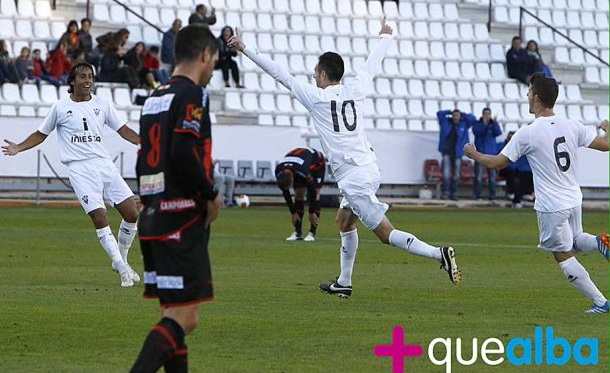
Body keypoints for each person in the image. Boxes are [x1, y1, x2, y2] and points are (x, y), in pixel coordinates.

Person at [228, 18, 461, 298]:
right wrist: (385, 37)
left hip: (354, 179)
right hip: (370, 167)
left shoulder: (316, 97)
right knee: (344, 221)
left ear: (325, 74)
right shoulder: (357, 87)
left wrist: (245, 49)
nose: (314, 76)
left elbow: (281, 74)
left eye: (316, 72)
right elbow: (372, 64)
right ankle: (344, 282)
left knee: (386, 235)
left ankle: (440, 254)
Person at [464, 73, 609, 314]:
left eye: (529, 92)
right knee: (576, 240)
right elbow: (606, 145)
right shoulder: (572, 125)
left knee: (562, 254)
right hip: (574, 198)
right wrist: (607, 128)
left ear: (538, 98)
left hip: (552, 204)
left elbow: (498, 163)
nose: (527, 95)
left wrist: (474, 154)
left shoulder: (528, 133)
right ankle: (599, 242)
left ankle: (601, 302)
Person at [130, 24, 221, 372]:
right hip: (181, 217)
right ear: (203, 55)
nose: (213, 66)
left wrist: (150, 201)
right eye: (213, 59)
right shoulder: (193, 94)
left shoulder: (155, 96)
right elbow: (183, 151)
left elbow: (143, 159)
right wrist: (210, 194)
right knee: (186, 316)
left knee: (174, 313)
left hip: (154, 216)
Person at [1, 63, 141, 287]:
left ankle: (122, 261)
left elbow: (123, 129)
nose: (88, 80)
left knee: (132, 213)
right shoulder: (60, 107)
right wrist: (19, 147)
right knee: (100, 216)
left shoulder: (102, 104)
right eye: (83, 76)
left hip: (104, 164)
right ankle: (122, 267)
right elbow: (41, 134)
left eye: (91, 77)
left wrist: (143, 141)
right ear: (72, 81)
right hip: (79, 168)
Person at [275, 148, 326, 242]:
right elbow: (285, 190)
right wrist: (293, 212)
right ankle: (298, 233)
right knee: (299, 194)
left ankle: (312, 233)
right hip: (298, 165)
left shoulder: (303, 171)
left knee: (316, 193)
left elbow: (312, 191)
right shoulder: (278, 170)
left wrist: (311, 212)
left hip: (317, 163)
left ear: (293, 179)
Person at [437, 109, 475, 200]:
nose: (456, 117)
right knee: (446, 174)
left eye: (457, 115)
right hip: (447, 152)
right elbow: (439, 114)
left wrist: (462, 113)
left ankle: (453, 193)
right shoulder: (445, 122)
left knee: (456, 175)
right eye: (454, 115)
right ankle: (445, 193)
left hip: (458, 153)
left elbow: (472, 118)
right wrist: (450, 111)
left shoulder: (464, 124)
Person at [472, 107, 502, 200]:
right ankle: (478, 196)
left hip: (491, 154)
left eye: (488, 114)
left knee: (492, 178)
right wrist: (485, 125)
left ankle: (492, 196)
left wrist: (495, 123)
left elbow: (498, 133)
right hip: (480, 154)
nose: (487, 115)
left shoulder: (492, 124)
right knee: (478, 177)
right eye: (485, 113)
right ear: (482, 114)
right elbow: (477, 133)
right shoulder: (477, 124)